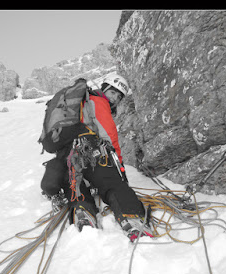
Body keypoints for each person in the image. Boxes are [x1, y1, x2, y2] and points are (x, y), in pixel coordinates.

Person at [40, 74, 153, 242]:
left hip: (67, 155)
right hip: (90, 149)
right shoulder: (98, 102)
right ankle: (132, 217)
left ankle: (83, 213)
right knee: (112, 183)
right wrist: (119, 169)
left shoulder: (78, 104)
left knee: (74, 184)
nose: (114, 98)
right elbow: (110, 138)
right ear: (104, 88)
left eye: (118, 96)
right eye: (113, 92)